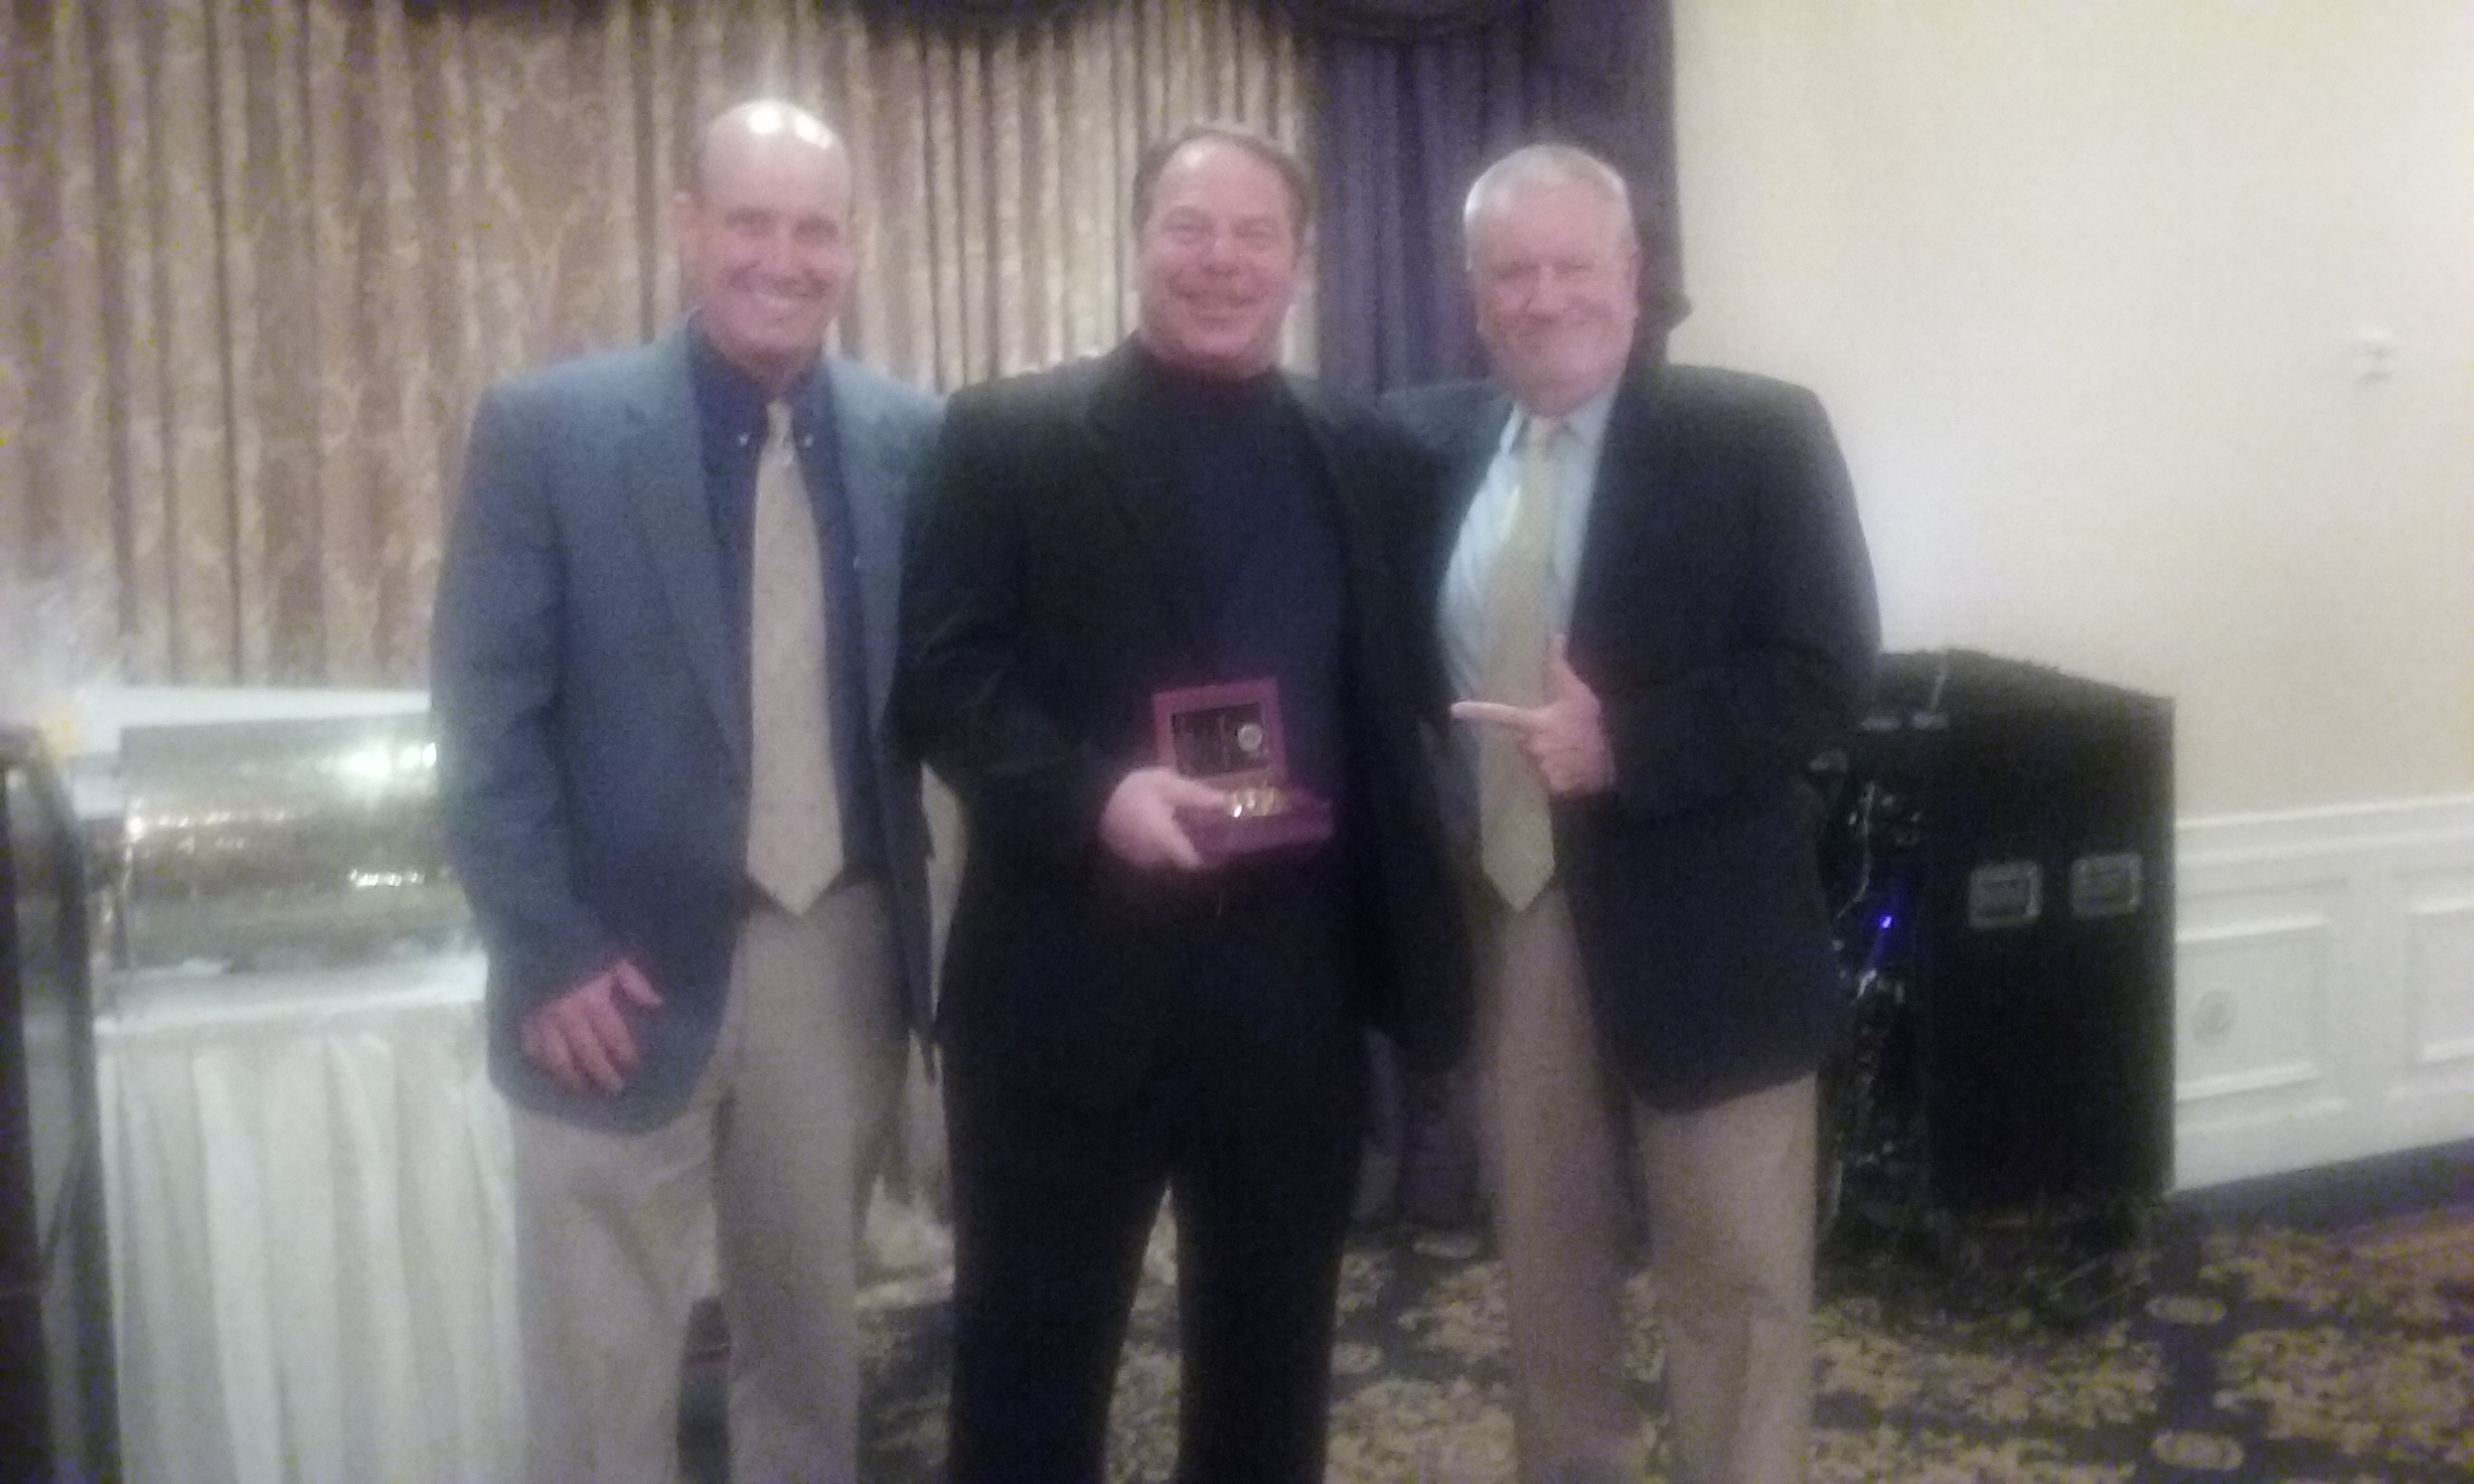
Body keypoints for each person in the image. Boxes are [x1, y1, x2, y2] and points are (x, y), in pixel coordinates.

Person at [897, 123, 1469, 1484]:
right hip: (1062, 982)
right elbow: (942, 681)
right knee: (1028, 1376)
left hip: (1291, 993)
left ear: (1299, 259)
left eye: (1255, 233)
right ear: (1138, 239)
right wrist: (1094, 797)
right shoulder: (1005, 437)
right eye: (1190, 228)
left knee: (1271, 1381)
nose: (1222, 260)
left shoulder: (1369, 453)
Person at [432, 100, 940, 1484]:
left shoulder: (913, 437)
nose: (785, 258)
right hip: (605, 978)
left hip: (833, 953)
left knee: (809, 1356)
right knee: (600, 1376)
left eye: (817, 229)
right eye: (751, 223)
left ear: (853, 245)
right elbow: (483, 718)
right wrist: (546, 948)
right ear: (685, 228)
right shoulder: (548, 430)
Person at [1388, 143, 1880, 1484]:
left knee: (1737, 1293)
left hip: (1714, 940)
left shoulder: (1754, 434)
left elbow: (1829, 671)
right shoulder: (1426, 449)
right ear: (1475, 296)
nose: (1544, 296)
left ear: (1631, 271)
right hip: (1514, 921)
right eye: (1512, 272)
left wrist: (1630, 743)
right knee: (1550, 1287)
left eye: (1572, 264)